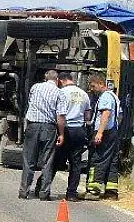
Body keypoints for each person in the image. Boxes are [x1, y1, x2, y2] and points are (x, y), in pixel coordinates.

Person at [19, 69, 60, 200]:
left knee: (29, 160)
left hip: (33, 125)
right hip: (49, 128)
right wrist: (62, 133)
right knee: (47, 161)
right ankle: (44, 193)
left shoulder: (35, 87)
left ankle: (24, 191)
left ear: (45, 78)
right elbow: (60, 116)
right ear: (57, 80)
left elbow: (30, 102)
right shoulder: (59, 93)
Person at [55, 72, 92, 202]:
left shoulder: (62, 93)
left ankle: (42, 188)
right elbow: (87, 117)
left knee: (55, 160)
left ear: (61, 81)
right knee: (75, 163)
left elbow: (60, 115)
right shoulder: (84, 94)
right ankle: (71, 193)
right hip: (79, 131)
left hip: (66, 129)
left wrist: (60, 133)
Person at [86, 74, 122, 200]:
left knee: (97, 158)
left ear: (101, 84)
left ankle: (93, 190)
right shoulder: (113, 96)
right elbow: (119, 116)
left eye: (93, 86)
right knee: (112, 160)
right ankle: (111, 191)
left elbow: (105, 114)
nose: (92, 89)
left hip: (104, 132)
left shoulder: (106, 96)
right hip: (113, 132)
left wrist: (100, 132)